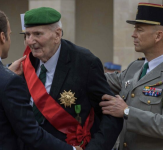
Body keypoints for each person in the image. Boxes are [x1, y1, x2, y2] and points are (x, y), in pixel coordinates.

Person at [0, 8, 82, 150]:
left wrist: (6, 72)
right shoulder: (9, 81)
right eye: (10, 34)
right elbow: (31, 133)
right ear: (2, 37)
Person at [12, 7, 123, 150]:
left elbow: (111, 113)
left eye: (37, 34)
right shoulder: (24, 64)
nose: (30, 41)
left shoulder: (85, 62)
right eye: (27, 35)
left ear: (57, 34)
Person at [99, 2, 163, 150]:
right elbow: (102, 79)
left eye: (139, 30)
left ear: (158, 35)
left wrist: (127, 112)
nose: (133, 34)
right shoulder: (136, 67)